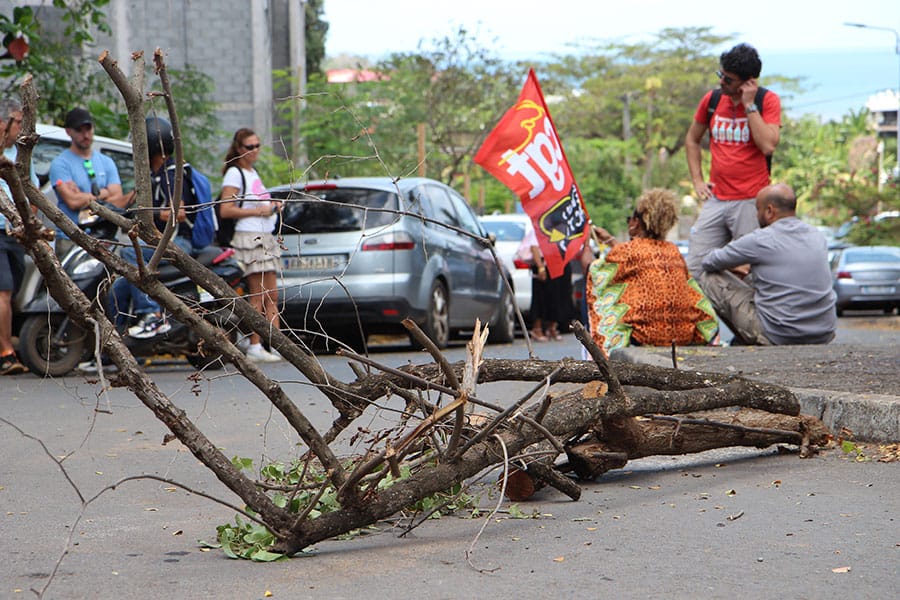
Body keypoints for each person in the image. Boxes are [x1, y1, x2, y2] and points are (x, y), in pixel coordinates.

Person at [684, 43, 782, 282]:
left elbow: (768, 145)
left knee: (752, 275)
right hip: (717, 198)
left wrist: (750, 106)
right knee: (694, 269)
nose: (721, 82)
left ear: (748, 82)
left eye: (728, 79)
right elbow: (692, 140)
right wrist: (697, 180)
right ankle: (710, 318)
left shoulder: (767, 101)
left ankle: (743, 319)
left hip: (750, 201)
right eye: (721, 75)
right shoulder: (713, 99)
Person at [582, 188, 719, 357]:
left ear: (636, 222)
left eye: (629, 219)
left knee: (601, 293)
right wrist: (610, 240)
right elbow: (640, 258)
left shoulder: (628, 251)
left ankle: (599, 360)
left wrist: (585, 244)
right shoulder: (673, 251)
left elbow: (593, 270)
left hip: (647, 337)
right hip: (682, 336)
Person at [700, 183, 836, 346]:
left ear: (770, 210)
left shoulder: (761, 239)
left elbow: (709, 261)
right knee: (754, 279)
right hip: (823, 333)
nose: (756, 215)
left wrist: (732, 266)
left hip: (779, 335)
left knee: (709, 277)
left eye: (758, 210)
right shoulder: (817, 236)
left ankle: (746, 339)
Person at [109, 116, 204, 338]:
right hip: (159, 240)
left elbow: (178, 213)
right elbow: (128, 200)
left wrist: (145, 213)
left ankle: (152, 315)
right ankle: (119, 347)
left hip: (178, 241)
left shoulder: (172, 173)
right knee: (117, 289)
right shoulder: (153, 175)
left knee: (130, 251)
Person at [218, 128, 282, 363]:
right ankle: (255, 345)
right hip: (249, 237)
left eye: (257, 145)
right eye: (249, 147)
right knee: (257, 295)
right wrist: (259, 210)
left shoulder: (253, 172)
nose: (254, 151)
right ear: (238, 149)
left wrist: (273, 207)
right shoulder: (234, 173)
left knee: (272, 295)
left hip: (265, 236)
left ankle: (276, 344)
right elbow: (225, 209)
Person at [49, 107, 130, 257]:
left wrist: (84, 197)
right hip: (71, 238)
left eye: (88, 129)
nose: (85, 135)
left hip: (103, 238)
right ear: (68, 132)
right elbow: (72, 202)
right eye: (79, 130)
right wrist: (104, 193)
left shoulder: (106, 162)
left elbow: (118, 199)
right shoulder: (60, 164)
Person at [0, 98, 37, 375]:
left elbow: (31, 193)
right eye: (18, 122)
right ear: (4, 124)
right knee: (3, 292)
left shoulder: (22, 155)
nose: (22, 128)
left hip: (16, 233)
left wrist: (27, 222)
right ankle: (6, 353)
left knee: (11, 294)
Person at [518, 224, 574, 342]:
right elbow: (534, 246)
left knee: (558, 296)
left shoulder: (562, 226)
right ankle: (537, 329)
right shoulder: (540, 225)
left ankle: (552, 327)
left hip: (559, 263)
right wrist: (540, 267)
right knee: (541, 297)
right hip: (544, 265)